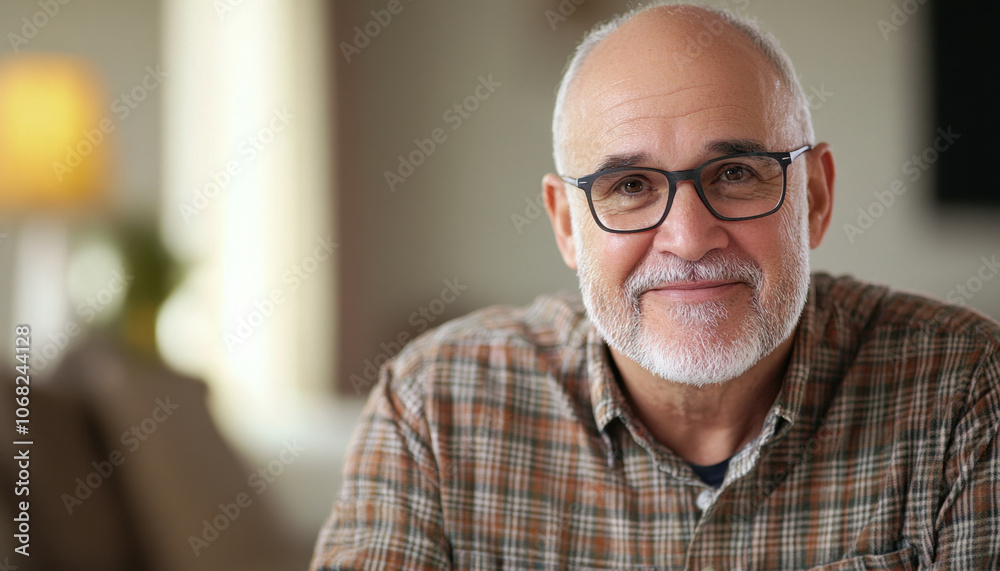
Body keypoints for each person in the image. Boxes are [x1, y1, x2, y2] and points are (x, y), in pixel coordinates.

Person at [311, 4, 1000, 569]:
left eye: (734, 172)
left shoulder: (967, 393)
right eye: (631, 186)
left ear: (814, 197)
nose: (690, 236)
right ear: (566, 224)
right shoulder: (431, 412)